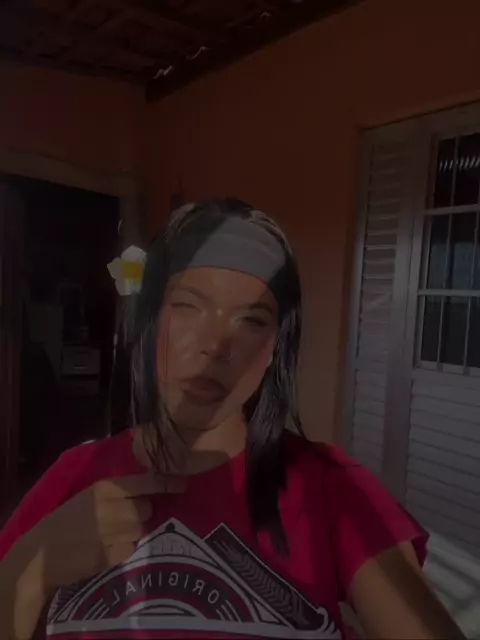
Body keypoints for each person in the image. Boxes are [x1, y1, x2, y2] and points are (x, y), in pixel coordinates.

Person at [0, 198, 465, 640]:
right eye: (188, 307)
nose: (216, 346)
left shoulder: (331, 489)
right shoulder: (72, 478)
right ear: (147, 321)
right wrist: (33, 568)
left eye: (252, 320)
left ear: (273, 349)